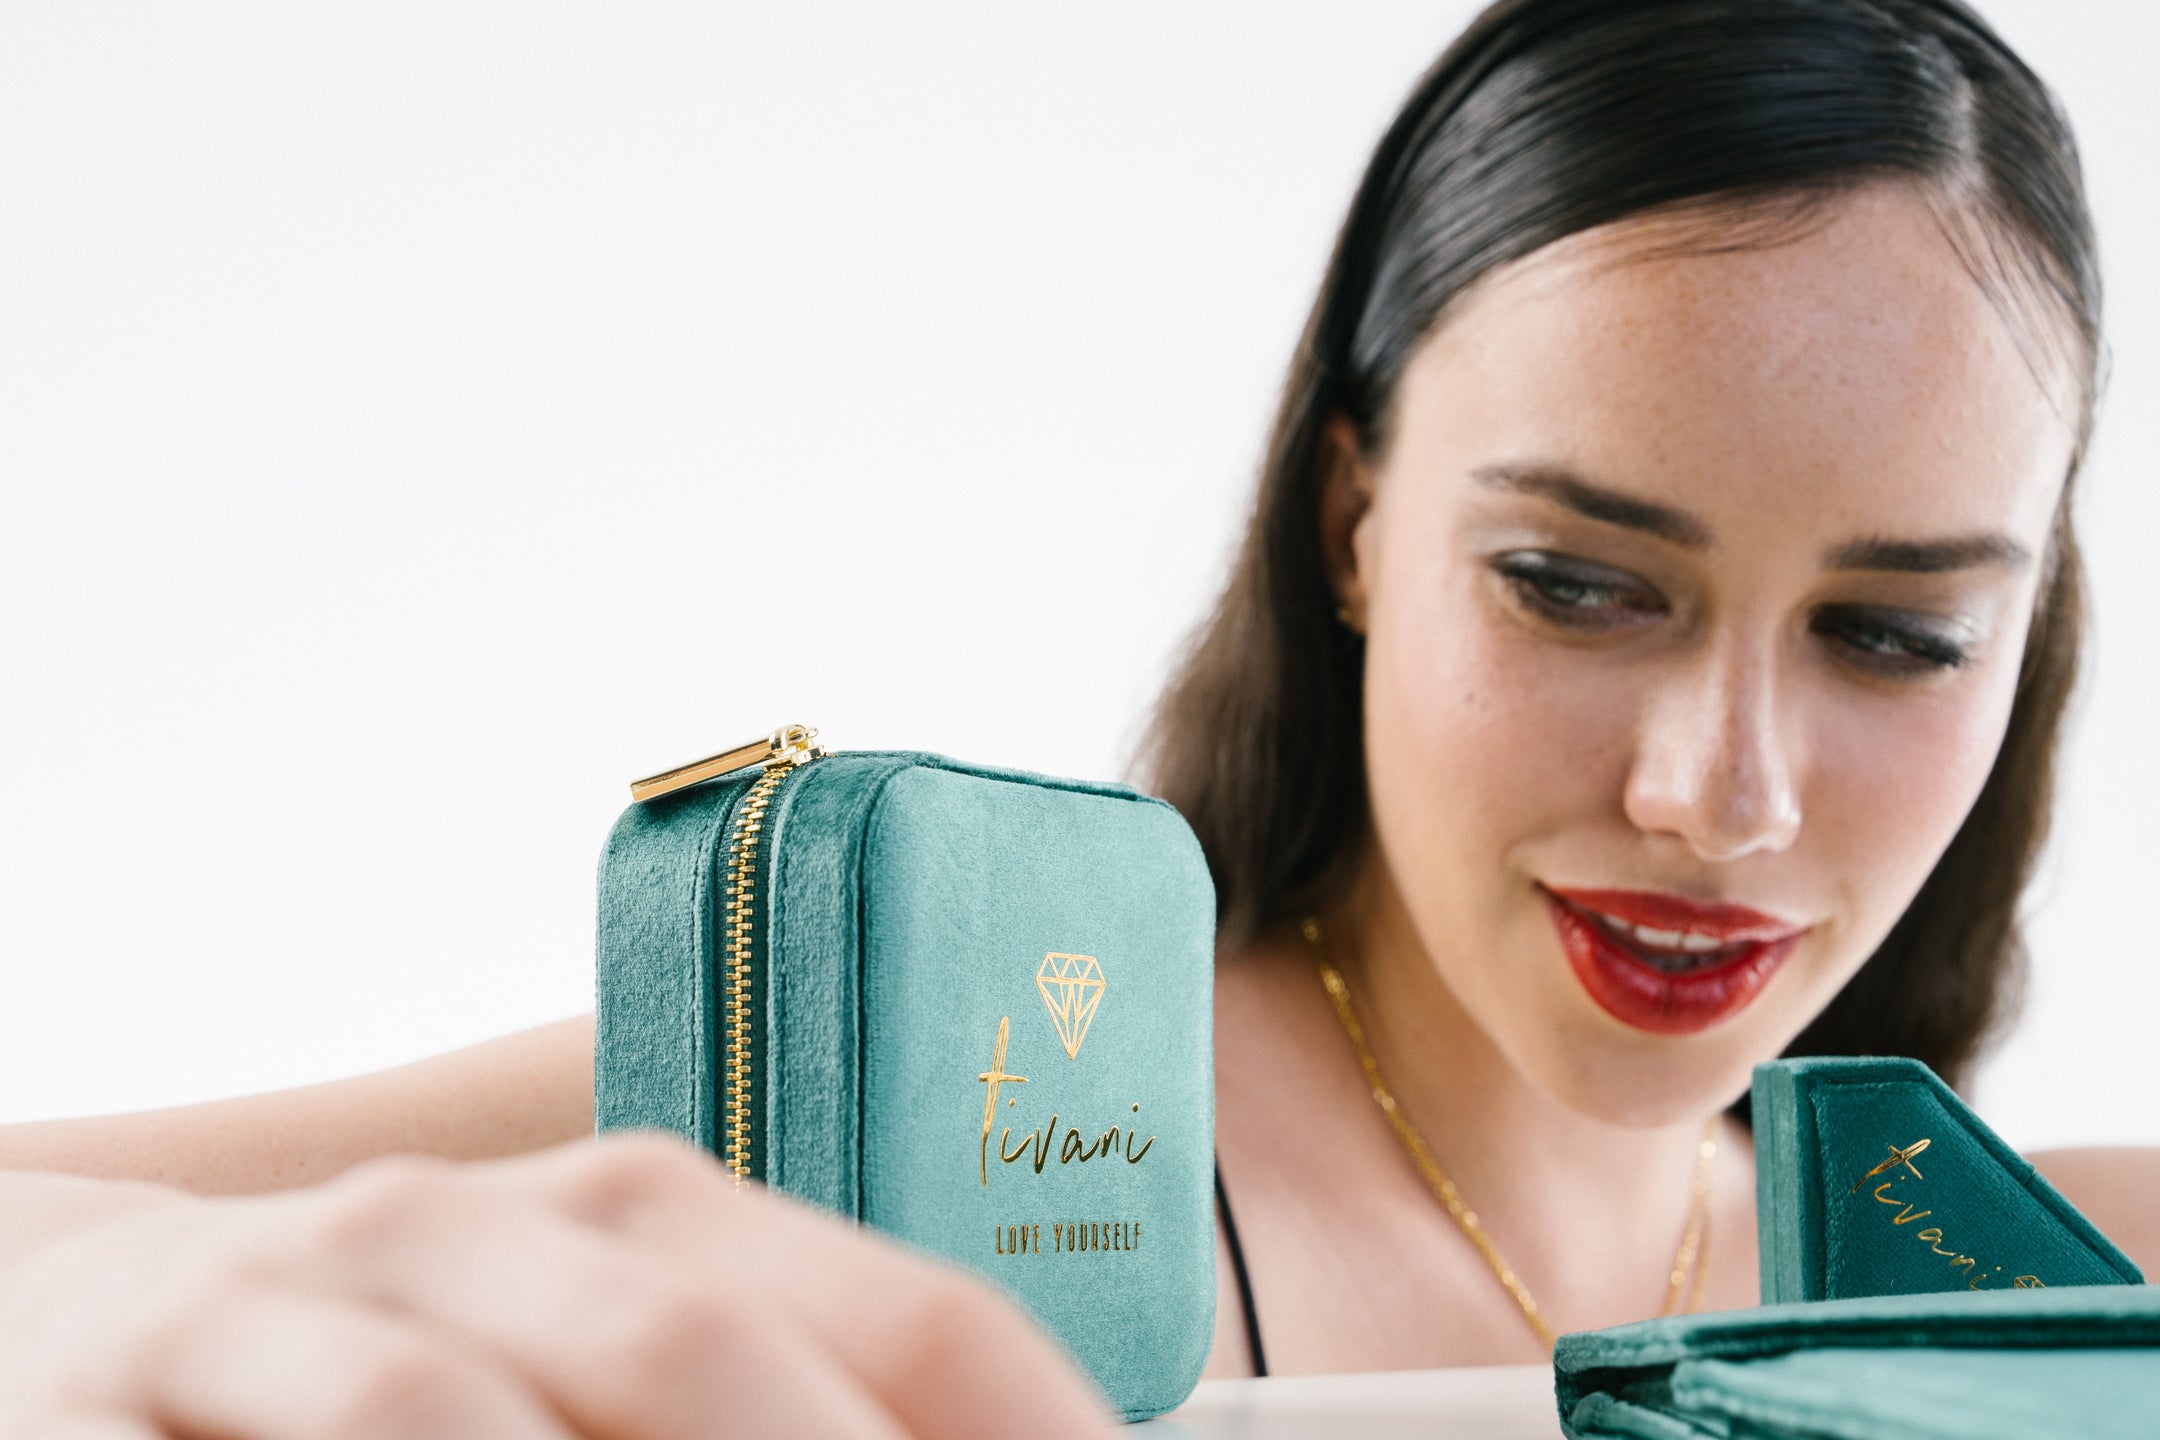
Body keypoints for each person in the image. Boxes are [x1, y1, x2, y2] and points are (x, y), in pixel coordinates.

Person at [5, 0, 2157, 1432]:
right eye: (1577, 584)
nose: (1717, 795)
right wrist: (91, 1307)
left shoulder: (2054, 1279)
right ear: (1354, 519)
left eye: (1895, 634)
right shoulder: (944, 1109)